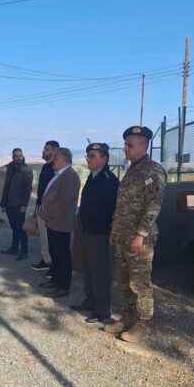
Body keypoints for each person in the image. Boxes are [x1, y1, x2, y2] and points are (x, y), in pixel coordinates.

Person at [104, 126, 166, 345]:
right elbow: (121, 205)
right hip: (123, 234)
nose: (125, 148)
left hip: (140, 237)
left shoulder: (153, 171)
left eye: (129, 145)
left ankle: (142, 323)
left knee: (139, 283)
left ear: (143, 146)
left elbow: (153, 206)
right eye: (125, 144)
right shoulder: (132, 170)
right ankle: (128, 317)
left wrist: (141, 234)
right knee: (123, 280)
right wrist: (114, 229)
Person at [72, 143, 119, 324]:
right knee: (89, 269)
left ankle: (102, 310)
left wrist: (109, 230)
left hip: (100, 233)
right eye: (88, 155)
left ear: (104, 158)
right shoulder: (93, 177)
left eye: (92, 156)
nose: (88, 159)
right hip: (88, 231)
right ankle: (90, 301)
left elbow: (113, 209)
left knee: (100, 272)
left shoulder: (109, 179)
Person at [38, 148, 81, 298]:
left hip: (61, 222)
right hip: (53, 222)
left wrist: (46, 214)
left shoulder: (70, 176)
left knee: (62, 255)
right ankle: (55, 281)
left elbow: (64, 202)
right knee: (55, 253)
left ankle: (63, 286)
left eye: (55, 158)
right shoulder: (59, 174)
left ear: (64, 160)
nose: (53, 160)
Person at [0, 148, 33, 261]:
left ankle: (24, 251)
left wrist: (24, 205)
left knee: (21, 228)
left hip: (19, 204)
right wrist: (3, 204)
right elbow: (6, 187)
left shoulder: (27, 169)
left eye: (20, 156)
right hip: (9, 203)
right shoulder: (10, 167)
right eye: (16, 156)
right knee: (14, 227)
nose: (18, 158)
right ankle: (14, 248)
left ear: (22, 156)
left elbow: (28, 189)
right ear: (13, 157)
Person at [31, 140, 59, 272]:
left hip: (49, 210)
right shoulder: (45, 167)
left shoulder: (55, 168)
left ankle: (53, 265)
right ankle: (46, 260)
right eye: (44, 148)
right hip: (40, 207)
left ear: (55, 151)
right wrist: (37, 207)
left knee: (50, 238)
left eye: (47, 149)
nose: (44, 151)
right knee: (43, 237)